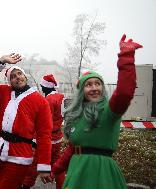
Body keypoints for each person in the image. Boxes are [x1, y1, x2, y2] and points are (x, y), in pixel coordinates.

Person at [52, 34, 143, 189]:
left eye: (97, 84)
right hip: (76, 174)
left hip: (101, 174)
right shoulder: (77, 115)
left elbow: (124, 93)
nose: (94, 88)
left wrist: (126, 57)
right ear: (81, 91)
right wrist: (55, 170)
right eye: (88, 85)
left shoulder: (109, 110)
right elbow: (72, 149)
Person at [0, 53, 53, 189]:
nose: (17, 78)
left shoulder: (40, 101)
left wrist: (44, 164)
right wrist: (0, 61)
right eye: (12, 77)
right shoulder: (4, 92)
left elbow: (44, 135)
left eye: (19, 74)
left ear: (25, 76)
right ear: (9, 81)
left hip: (19, 156)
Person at [22, 74, 65, 189]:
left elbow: (44, 123)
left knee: (34, 163)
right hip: (58, 138)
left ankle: (26, 185)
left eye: (42, 86)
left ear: (46, 87)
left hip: (47, 140)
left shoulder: (49, 100)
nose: (41, 88)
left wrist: (35, 140)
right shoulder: (61, 97)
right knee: (58, 165)